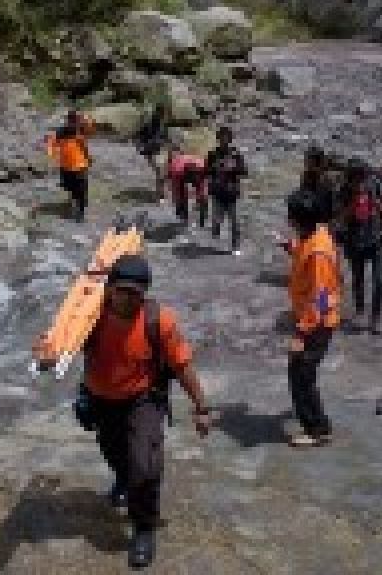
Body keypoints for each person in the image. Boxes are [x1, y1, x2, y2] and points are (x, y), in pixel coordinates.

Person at [58, 254, 210, 568]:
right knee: (114, 452)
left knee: (145, 464)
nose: (128, 298)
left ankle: (143, 527)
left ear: (145, 293)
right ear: (110, 288)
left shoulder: (159, 321)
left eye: (136, 293)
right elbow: (60, 344)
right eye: (122, 290)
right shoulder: (89, 315)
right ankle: (124, 479)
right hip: (101, 399)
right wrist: (46, 354)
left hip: (144, 398)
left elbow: (182, 365)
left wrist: (201, 407)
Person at [281, 189, 342, 448]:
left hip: (316, 323)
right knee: (301, 373)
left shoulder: (318, 253)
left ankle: (317, 428)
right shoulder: (315, 234)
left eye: (291, 215)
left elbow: (319, 297)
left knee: (301, 375)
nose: (288, 219)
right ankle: (312, 418)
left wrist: (301, 334)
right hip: (313, 319)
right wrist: (292, 248)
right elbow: (306, 251)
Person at [337, 158, 382, 335]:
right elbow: (339, 218)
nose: (361, 184)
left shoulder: (373, 185)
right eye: (358, 180)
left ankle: (376, 318)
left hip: (376, 239)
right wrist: (352, 206)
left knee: (379, 281)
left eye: (364, 179)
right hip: (354, 241)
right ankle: (360, 311)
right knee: (358, 279)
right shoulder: (343, 191)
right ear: (350, 179)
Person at [47, 109, 95, 222]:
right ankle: (75, 206)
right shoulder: (61, 132)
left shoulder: (81, 130)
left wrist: (84, 118)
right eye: (71, 120)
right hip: (66, 166)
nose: (73, 123)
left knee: (81, 189)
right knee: (70, 187)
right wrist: (52, 155)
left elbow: (90, 130)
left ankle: (81, 212)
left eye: (75, 120)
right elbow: (51, 143)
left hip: (80, 165)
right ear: (68, 121)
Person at [205, 126, 246, 255]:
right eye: (222, 137)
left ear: (230, 139)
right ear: (218, 139)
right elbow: (206, 172)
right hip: (217, 192)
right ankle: (215, 234)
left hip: (232, 192)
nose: (224, 140)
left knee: (235, 222)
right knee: (217, 220)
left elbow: (244, 171)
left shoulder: (236, 154)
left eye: (226, 137)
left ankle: (235, 246)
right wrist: (215, 167)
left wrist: (233, 168)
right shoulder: (212, 154)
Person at [134, 103, 170, 202]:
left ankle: (161, 193)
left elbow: (165, 138)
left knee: (162, 173)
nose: (164, 116)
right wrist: (140, 147)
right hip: (152, 151)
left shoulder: (163, 126)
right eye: (163, 113)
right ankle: (160, 195)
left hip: (161, 150)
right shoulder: (150, 124)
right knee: (160, 172)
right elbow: (139, 136)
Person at [167, 148, 208, 227]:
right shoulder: (177, 170)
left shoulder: (202, 167)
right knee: (181, 196)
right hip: (180, 173)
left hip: (195, 169)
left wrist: (202, 200)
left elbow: (203, 190)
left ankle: (202, 219)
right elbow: (177, 191)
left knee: (203, 196)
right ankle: (182, 216)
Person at [299, 145, 337, 227]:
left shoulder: (327, 178)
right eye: (306, 162)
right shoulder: (306, 175)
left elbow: (331, 201)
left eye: (309, 163)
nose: (307, 166)